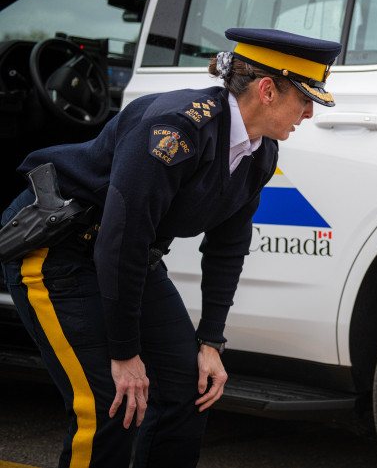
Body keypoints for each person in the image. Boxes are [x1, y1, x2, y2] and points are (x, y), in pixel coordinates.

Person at [0, 28, 342, 468]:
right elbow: (121, 240)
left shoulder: (261, 151)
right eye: (305, 98)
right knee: (111, 404)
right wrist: (125, 355)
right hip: (58, 252)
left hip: (127, 259)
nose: (311, 113)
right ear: (268, 89)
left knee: (186, 389)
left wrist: (211, 342)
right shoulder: (177, 128)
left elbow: (227, 247)